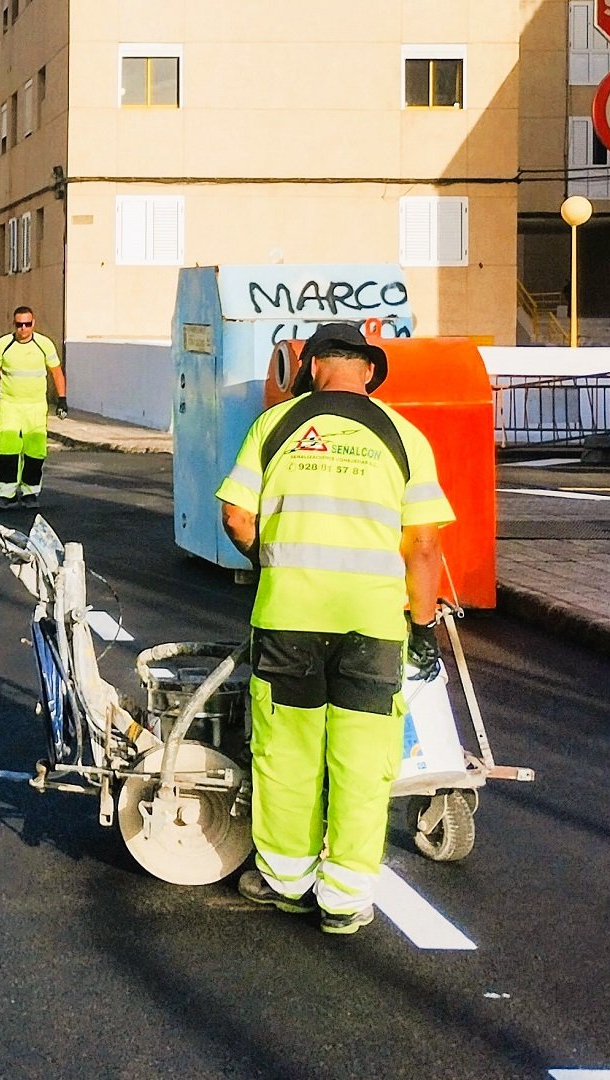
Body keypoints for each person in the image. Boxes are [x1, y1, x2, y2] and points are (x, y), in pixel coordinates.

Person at [214, 322, 454, 936]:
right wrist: (423, 629)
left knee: (287, 753)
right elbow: (424, 546)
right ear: (368, 371)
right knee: (361, 758)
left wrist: (273, 561)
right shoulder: (404, 436)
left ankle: (287, 884)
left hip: (289, 618)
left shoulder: (276, 426)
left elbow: (237, 517)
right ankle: (345, 899)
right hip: (372, 626)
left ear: (312, 364)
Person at [0, 305, 68, 510]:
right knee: (7, 449)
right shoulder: (4, 344)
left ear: (33, 324)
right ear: (14, 324)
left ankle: (30, 493)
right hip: (10, 404)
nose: (23, 329)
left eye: (27, 324)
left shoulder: (44, 345)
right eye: (19, 324)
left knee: (35, 450)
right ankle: (7, 493)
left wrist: (62, 399)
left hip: (36, 406)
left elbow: (56, 372)